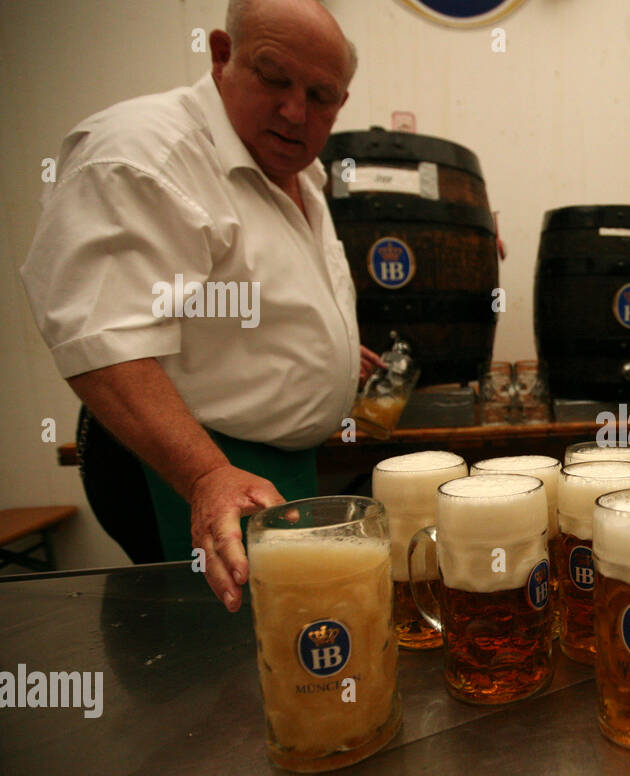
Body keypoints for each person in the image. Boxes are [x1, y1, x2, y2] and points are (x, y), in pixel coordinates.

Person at [21, 0, 378, 611]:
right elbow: (105, 340)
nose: (296, 110)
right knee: (215, 656)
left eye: (321, 95)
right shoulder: (142, 153)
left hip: (276, 465)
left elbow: (248, 297)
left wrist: (332, 351)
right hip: (184, 464)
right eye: (274, 78)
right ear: (221, 56)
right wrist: (204, 475)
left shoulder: (296, 168)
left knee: (280, 634)